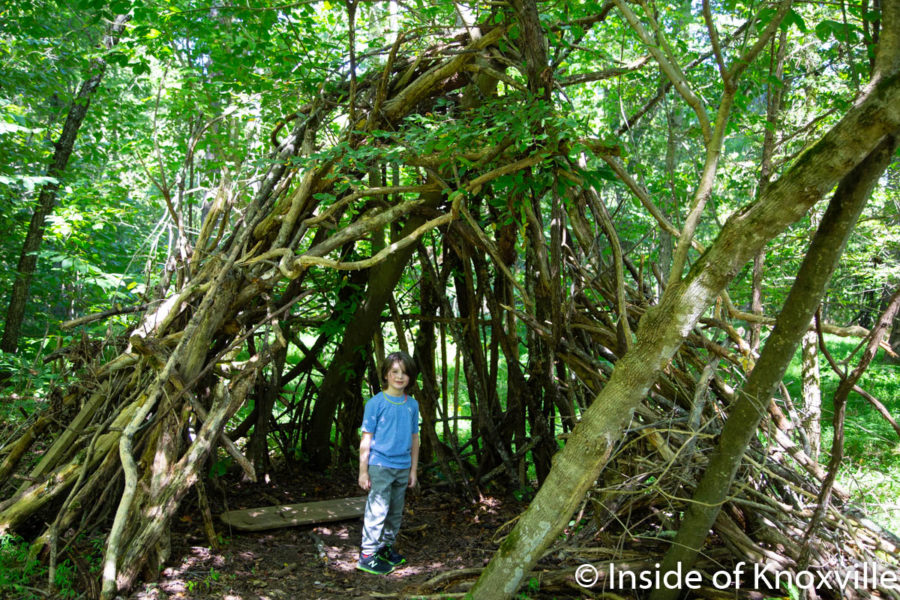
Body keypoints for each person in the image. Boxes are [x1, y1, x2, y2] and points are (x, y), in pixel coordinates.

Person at [357, 350, 420, 575]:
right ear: (385, 375)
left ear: (411, 377)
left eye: (404, 373)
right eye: (394, 372)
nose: (399, 377)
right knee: (378, 509)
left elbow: (415, 439)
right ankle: (367, 554)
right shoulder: (375, 403)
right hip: (381, 465)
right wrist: (363, 472)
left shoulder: (412, 405)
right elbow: (367, 439)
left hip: (402, 465)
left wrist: (413, 469)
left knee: (394, 510)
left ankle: (385, 547)